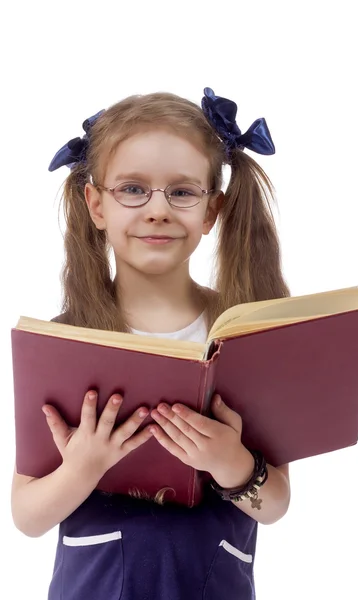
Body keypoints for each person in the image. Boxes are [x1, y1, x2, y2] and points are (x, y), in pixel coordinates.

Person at [11, 87, 291, 600]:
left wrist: (231, 463)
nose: (158, 210)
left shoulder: (248, 336)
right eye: (133, 189)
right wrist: (82, 468)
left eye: (182, 192)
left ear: (211, 211)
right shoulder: (62, 342)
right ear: (96, 204)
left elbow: (275, 504)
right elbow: (26, 517)